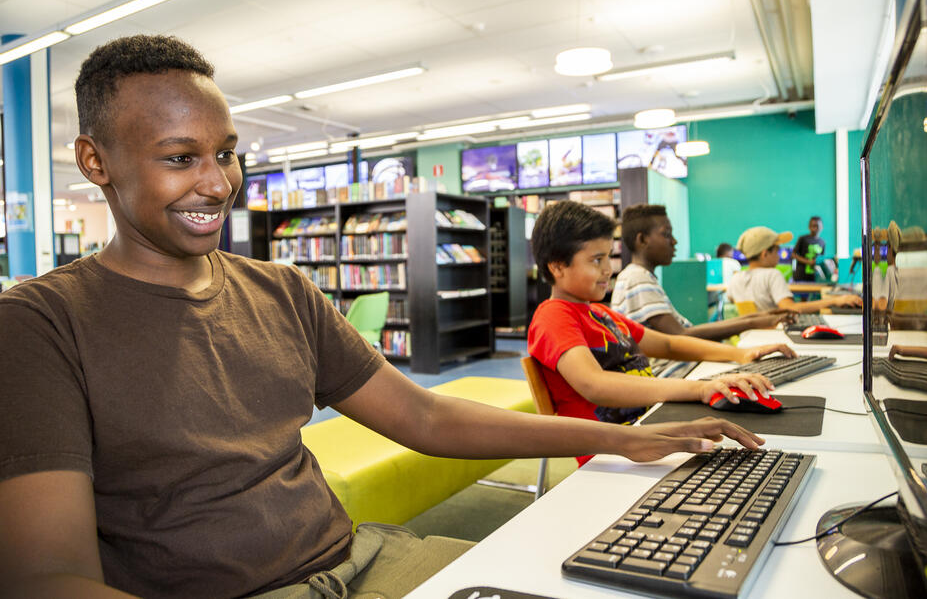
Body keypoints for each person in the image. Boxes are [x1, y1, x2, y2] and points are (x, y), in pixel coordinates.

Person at [0, 35, 765, 599]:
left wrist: (627, 440)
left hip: (363, 562)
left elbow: (427, 419)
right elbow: (47, 577)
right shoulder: (39, 324)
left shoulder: (282, 291)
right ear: (96, 162)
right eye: (180, 158)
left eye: (226, 152)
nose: (217, 182)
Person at [527, 200, 793, 466]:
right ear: (557, 266)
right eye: (597, 260)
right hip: (614, 454)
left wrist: (741, 353)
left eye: (609, 256)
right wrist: (699, 389)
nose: (608, 269)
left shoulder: (601, 314)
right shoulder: (553, 316)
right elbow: (595, 384)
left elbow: (668, 345)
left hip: (648, 430)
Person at [611, 204, 794, 340]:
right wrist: (752, 322)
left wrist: (761, 316)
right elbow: (680, 336)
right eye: (666, 234)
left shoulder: (640, 277)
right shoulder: (636, 279)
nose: (674, 241)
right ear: (642, 240)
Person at [726, 226, 862, 313]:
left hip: (748, 338)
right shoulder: (772, 274)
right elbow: (790, 308)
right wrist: (835, 300)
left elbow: (731, 299)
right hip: (771, 337)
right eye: (776, 250)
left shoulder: (736, 278)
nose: (779, 255)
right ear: (764, 254)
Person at [791, 216, 826, 282]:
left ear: (822, 227)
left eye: (817, 226)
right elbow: (793, 255)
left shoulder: (822, 242)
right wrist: (808, 262)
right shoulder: (803, 239)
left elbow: (822, 258)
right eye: (813, 226)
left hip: (815, 277)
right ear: (809, 227)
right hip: (801, 276)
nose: (815, 228)